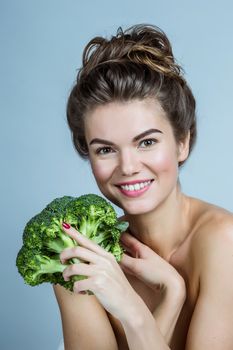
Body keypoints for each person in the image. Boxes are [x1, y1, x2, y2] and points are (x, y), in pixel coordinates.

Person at [53, 24, 233, 350]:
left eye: (146, 142)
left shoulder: (224, 243)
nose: (128, 166)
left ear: (182, 143)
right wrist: (170, 299)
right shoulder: (81, 253)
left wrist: (134, 312)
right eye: (105, 149)